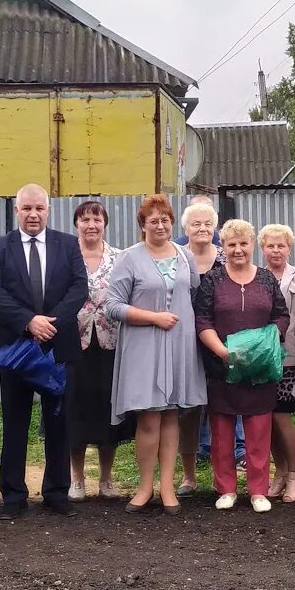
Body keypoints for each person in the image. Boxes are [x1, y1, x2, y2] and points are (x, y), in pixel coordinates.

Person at [0, 183, 88, 520]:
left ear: (48, 210)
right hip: (16, 347)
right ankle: (13, 496)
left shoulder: (68, 244)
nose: (33, 214)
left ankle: (57, 492)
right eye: (26, 208)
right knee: (15, 421)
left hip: (58, 345)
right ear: (17, 211)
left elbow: (78, 288)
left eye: (39, 208)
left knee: (58, 421)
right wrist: (29, 321)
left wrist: (50, 323)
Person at [105, 195, 206, 514]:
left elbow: (192, 294)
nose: (160, 225)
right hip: (144, 346)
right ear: (143, 225)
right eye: (154, 220)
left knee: (171, 415)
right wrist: (153, 317)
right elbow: (112, 306)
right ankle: (144, 486)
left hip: (179, 345)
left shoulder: (185, 255)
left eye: (165, 219)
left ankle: (167, 487)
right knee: (148, 418)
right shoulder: (129, 258)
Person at [195, 219, 289, 514]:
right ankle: (226, 488)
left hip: (260, 369)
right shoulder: (212, 280)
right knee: (221, 431)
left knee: (259, 430)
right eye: (231, 244)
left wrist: (265, 343)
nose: (238, 249)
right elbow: (202, 321)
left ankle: (258, 490)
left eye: (243, 243)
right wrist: (223, 352)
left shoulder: (266, 279)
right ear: (223, 247)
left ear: (252, 246)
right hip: (222, 366)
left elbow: (281, 315)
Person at [68, 201, 131, 501]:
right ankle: (76, 478)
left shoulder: (120, 257)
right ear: (76, 224)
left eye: (96, 219)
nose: (91, 225)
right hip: (75, 343)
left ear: (105, 223)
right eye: (85, 219)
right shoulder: (66, 255)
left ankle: (106, 479)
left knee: (109, 412)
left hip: (111, 342)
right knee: (75, 409)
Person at [178, 198, 234, 495]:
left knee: (221, 410)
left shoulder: (226, 257)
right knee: (188, 410)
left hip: (220, 343)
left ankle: (220, 474)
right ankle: (188, 475)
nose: (202, 228)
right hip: (184, 344)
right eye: (195, 223)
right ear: (185, 227)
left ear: (215, 228)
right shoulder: (176, 257)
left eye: (207, 223)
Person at [258, 224, 295, 503]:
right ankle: (279, 474)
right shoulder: (256, 276)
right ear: (262, 248)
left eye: (281, 245)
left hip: (289, 359)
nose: (276, 250)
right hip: (261, 359)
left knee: (281, 416)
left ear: (289, 248)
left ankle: (294, 475)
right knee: (265, 418)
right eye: (270, 245)